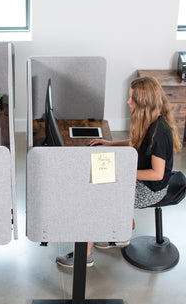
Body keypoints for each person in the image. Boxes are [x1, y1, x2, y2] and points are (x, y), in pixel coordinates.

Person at [56, 76, 182, 268]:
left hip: (152, 190)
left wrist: (122, 172)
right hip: (143, 180)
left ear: (144, 102)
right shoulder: (150, 120)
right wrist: (110, 144)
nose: (128, 102)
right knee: (96, 179)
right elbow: (138, 142)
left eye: (132, 98)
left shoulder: (159, 132)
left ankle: (85, 255)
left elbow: (157, 174)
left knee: (95, 196)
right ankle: (115, 236)